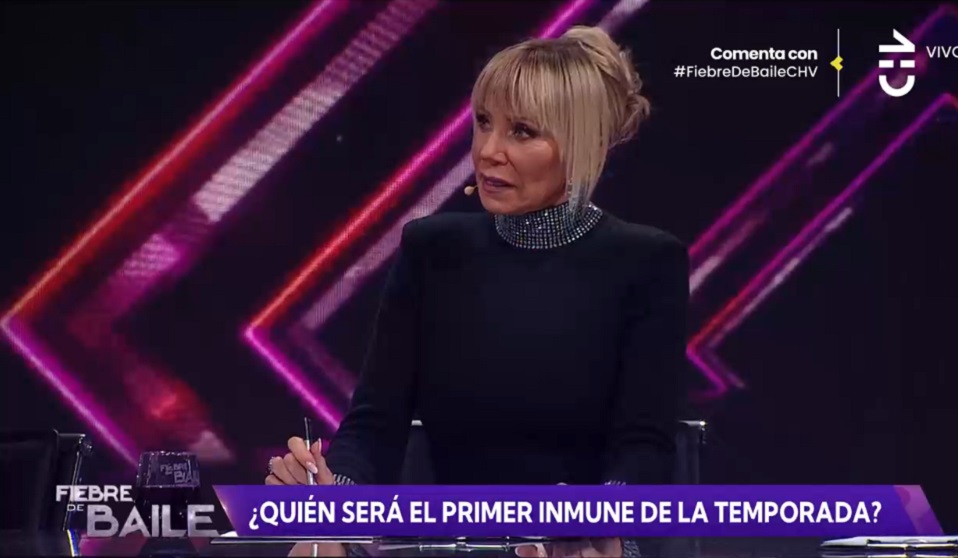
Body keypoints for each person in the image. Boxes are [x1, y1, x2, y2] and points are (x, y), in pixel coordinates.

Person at [266, 25, 689, 558]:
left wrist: (604, 528)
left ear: (586, 146)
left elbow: (644, 445)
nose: (488, 151)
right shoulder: (432, 250)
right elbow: (374, 424)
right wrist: (334, 499)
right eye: (484, 122)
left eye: (522, 131)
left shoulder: (646, 262)